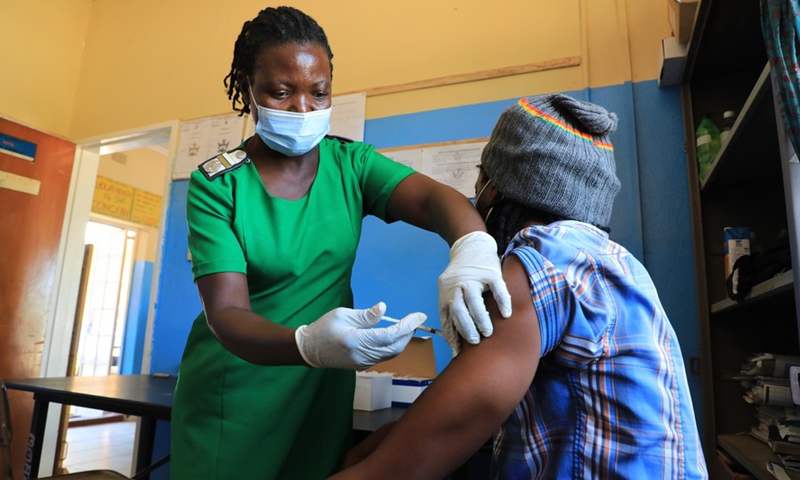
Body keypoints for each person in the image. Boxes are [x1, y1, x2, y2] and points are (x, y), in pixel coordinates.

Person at [170, 6, 513, 480]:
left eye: (319, 92)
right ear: (248, 88)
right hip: (235, 396)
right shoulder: (219, 184)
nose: (304, 109)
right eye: (282, 92)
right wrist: (307, 344)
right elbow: (227, 315)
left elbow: (435, 198)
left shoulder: (350, 166)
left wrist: (472, 247)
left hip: (319, 394)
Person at [329, 94, 709, 479]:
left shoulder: (542, 260)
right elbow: (456, 419)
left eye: (481, 179)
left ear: (494, 190)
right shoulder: (615, 261)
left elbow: (414, 457)